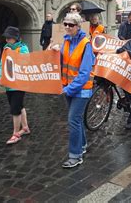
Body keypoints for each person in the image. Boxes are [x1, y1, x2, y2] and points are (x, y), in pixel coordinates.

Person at [51, 13, 95, 168]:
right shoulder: (66, 41)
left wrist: (68, 89)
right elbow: (61, 61)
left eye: (71, 25)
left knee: (73, 120)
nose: (67, 27)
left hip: (81, 90)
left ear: (78, 26)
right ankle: (82, 146)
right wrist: (55, 50)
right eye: (65, 24)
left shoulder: (86, 44)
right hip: (68, 88)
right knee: (76, 120)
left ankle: (75, 156)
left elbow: (84, 74)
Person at [0, 26, 31, 145]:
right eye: (6, 38)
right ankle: (25, 127)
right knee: (18, 105)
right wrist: (0, 77)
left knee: (15, 109)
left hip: (19, 84)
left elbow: (25, 63)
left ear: (15, 38)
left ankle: (16, 133)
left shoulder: (23, 48)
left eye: (9, 38)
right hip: (9, 83)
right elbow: (1, 64)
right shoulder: (6, 48)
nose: (7, 40)